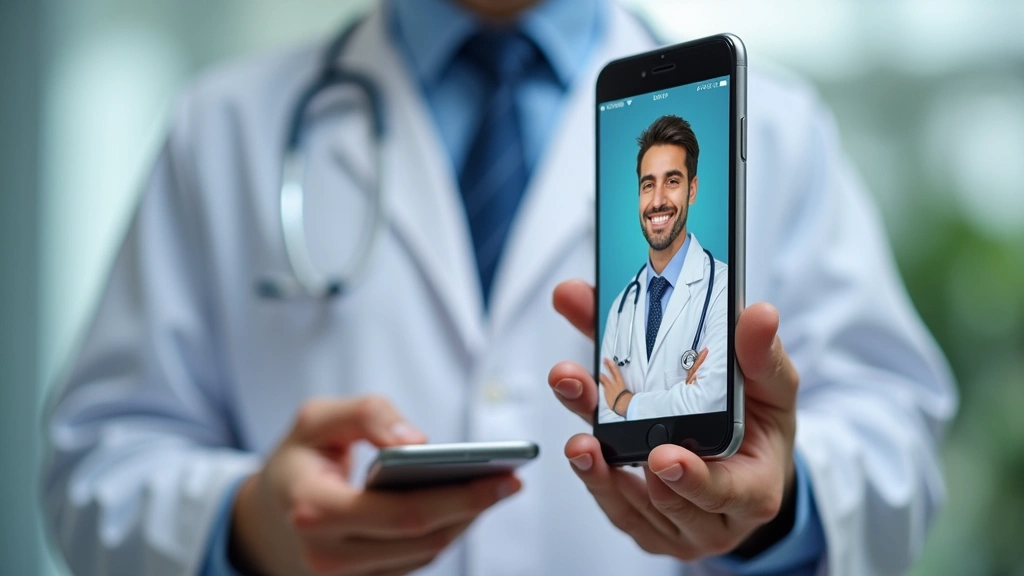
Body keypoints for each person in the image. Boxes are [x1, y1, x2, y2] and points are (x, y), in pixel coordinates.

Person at [40, 0, 957, 575]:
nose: (662, 197)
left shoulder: (778, 128)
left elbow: (894, 441)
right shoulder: (227, 128)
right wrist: (241, 530)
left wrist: (774, 511)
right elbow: (98, 463)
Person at [598, 114, 729, 423]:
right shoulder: (620, 307)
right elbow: (604, 413)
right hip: (630, 473)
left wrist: (626, 402)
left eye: (672, 181)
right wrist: (676, 398)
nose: (657, 201)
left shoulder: (724, 288)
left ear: (692, 190)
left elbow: (707, 402)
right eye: (648, 185)